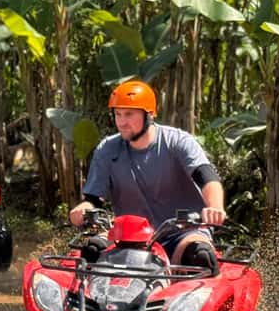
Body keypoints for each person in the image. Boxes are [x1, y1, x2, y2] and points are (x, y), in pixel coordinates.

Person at [69, 80, 226, 273]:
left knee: (200, 255)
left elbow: (207, 177)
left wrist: (215, 206)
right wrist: (83, 209)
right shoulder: (107, 149)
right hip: (129, 237)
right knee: (92, 250)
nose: (121, 122)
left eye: (129, 114)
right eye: (118, 114)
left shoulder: (178, 141)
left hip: (183, 233)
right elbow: (93, 199)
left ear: (149, 115)